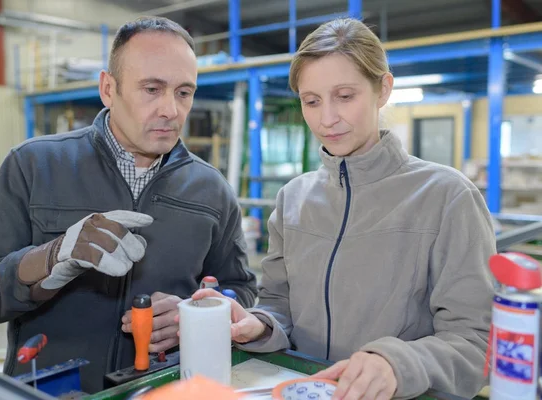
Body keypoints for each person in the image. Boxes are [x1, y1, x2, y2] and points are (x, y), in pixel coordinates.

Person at [0, 16, 257, 393]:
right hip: (48, 388)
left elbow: (238, 286)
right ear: (108, 88)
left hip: (163, 388)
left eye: (183, 92)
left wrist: (198, 313)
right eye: (152, 88)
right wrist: (47, 258)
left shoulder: (212, 190)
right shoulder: (34, 166)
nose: (171, 110)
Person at [193, 18, 495, 400]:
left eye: (345, 96)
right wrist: (258, 324)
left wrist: (396, 364)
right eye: (312, 101)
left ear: (383, 89)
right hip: (300, 390)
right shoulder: (293, 199)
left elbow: (476, 341)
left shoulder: (447, 197)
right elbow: (279, 304)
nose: (327, 118)